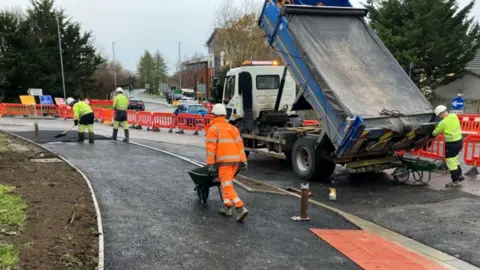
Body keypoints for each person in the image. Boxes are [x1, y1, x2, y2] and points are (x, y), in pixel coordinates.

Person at [205, 104, 249, 221]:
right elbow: (240, 146)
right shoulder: (234, 128)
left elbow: (211, 148)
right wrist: (244, 161)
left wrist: (210, 164)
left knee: (226, 185)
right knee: (227, 183)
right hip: (236, 161)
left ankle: (240, 207)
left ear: (214, 115)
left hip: (224, 161)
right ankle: (227, 206)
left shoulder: (213, 129)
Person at [432, 105, 464, 187]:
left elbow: (435, 132)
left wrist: (433, 131)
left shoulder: (443, 122)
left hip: (452, 144)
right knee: (454, 159)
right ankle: (460, 175)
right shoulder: (454, 116)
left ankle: (455, 180)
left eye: (439, 115)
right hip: (459, 141)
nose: (440, 117)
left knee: (450, 161)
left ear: (442, 113)